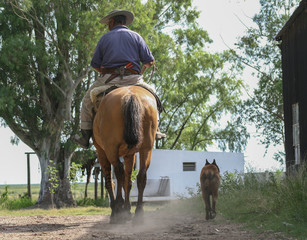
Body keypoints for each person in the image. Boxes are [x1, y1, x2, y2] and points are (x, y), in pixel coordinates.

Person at [74, 9, 166, 149]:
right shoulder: (137, 37)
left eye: (108, 23)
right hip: (134, 79)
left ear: (112, 22)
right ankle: (156, 129)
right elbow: (148, 61)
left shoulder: (105, 38)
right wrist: (148, 63)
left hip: (110, 79)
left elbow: (95, 65)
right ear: (124, 22)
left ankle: (85, 136)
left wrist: (105, 73)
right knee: (153, 96)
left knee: (87, 100)